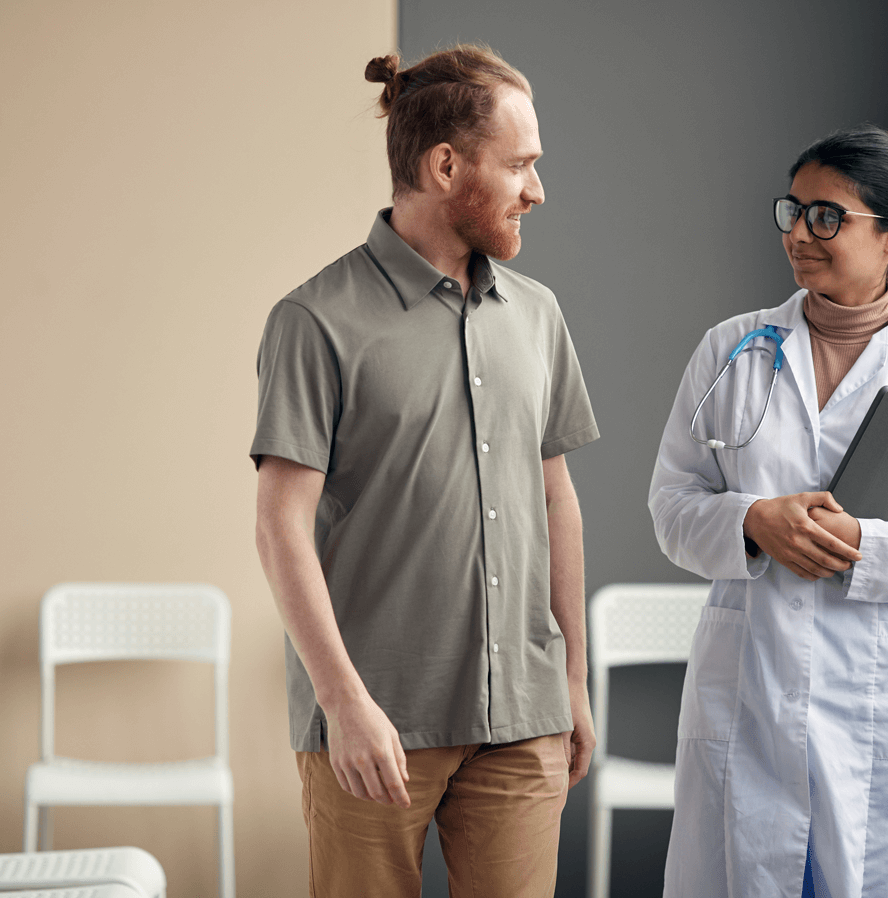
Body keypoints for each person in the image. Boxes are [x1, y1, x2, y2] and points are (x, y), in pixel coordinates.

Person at [251, 44, 599, 898]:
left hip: (522, 714)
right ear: (446, 165)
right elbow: (279, 526)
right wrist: (342, 705)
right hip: (374, 722)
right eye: (519, 165)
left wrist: (573, 685)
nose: (537, 190)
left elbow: (556, 496)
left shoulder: (538, 315)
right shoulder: (314, 321)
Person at [649, 124, 888, 898]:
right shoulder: (730, 351)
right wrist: (751, 522)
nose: (800, 234)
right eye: (795, 210)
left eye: (828, 217)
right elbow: (672, 506)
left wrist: (865, 545)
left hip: (886, 707)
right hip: (752, 693)